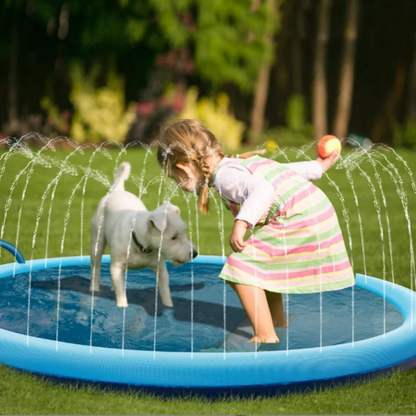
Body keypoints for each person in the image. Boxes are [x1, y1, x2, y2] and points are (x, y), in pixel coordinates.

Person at [156, 119, 354, 344]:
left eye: (175, 179)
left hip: (298, 217)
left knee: (240, 269)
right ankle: (278, 322)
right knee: (262, 265)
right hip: (315, 210)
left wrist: (242, 223)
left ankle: (266, 336)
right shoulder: (236, 162)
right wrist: (316, 168)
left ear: (183, 168)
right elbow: (280, 172)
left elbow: (262, 189)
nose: (177, 184)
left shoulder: (224, 176)